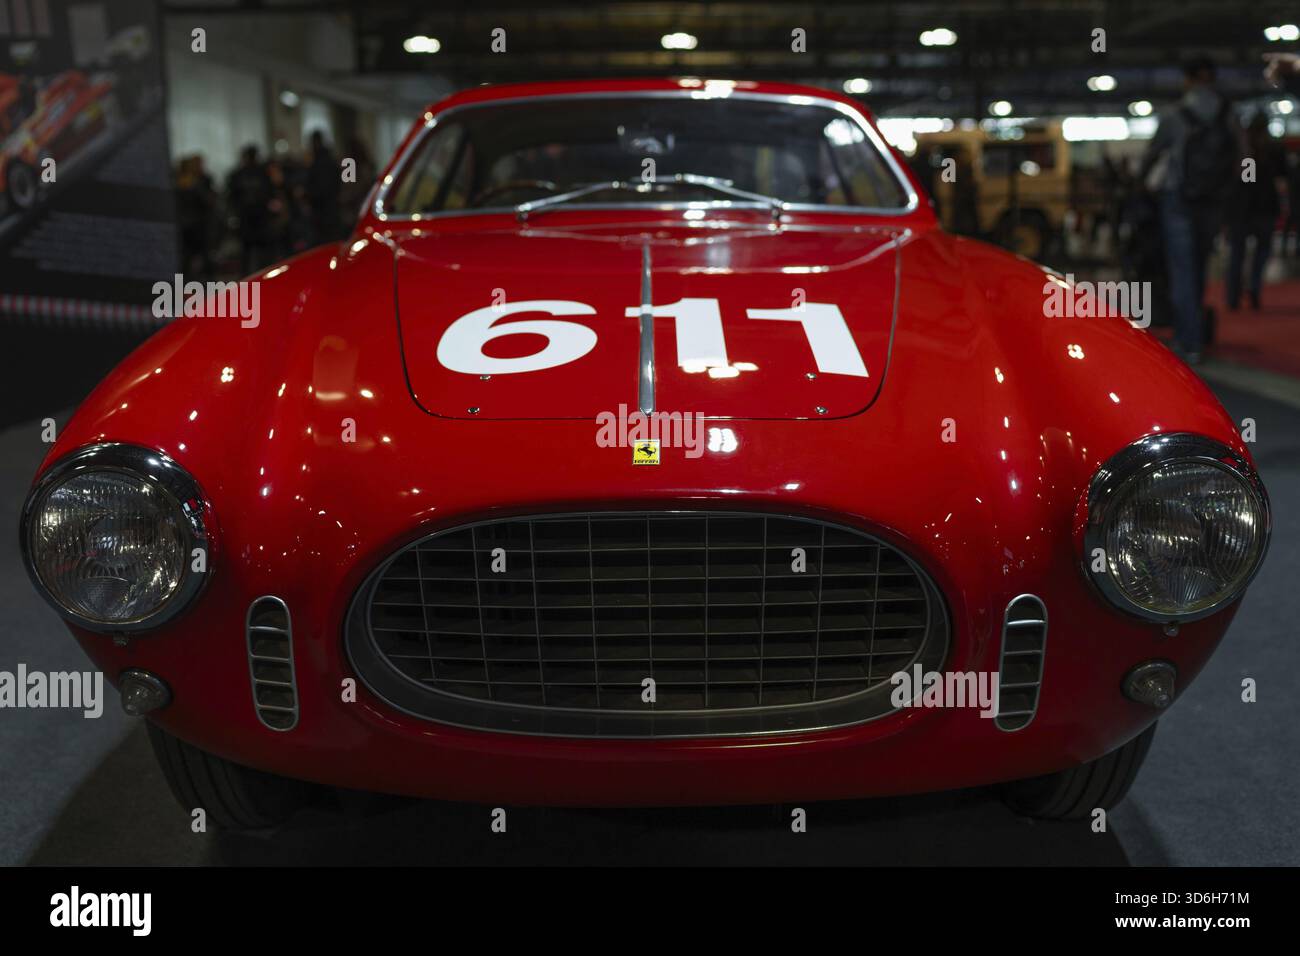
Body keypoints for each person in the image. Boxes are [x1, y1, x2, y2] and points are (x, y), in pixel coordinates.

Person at [1138, 56, 1236, 364]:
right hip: (1212, 202)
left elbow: (1151, 156)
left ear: (1188, 79)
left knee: (1182, 270)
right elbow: (1243, 157)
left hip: (1178, 200)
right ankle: (1195, 336)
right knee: (1199, 267)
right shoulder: (1227, 115)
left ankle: (1187, 341)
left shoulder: (1175, 115)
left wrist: (1140, 188)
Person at [1225, 114, 1287, 310]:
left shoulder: (1247, 151)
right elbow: (1281, 178)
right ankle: (1253, 288)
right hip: (1263, 210)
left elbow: (1246, 182)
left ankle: (1234, 296)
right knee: (1259, 254)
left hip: (1244, 211)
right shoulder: (1272, 149)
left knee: (1238, 255)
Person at [226, 145, 274, 275]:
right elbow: (270, 193)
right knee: (261, 253)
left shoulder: (238, 174)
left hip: (247, 217)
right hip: (258, 217)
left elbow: (231, 196)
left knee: (247, 253)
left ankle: (248, 278)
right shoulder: (263, 173)